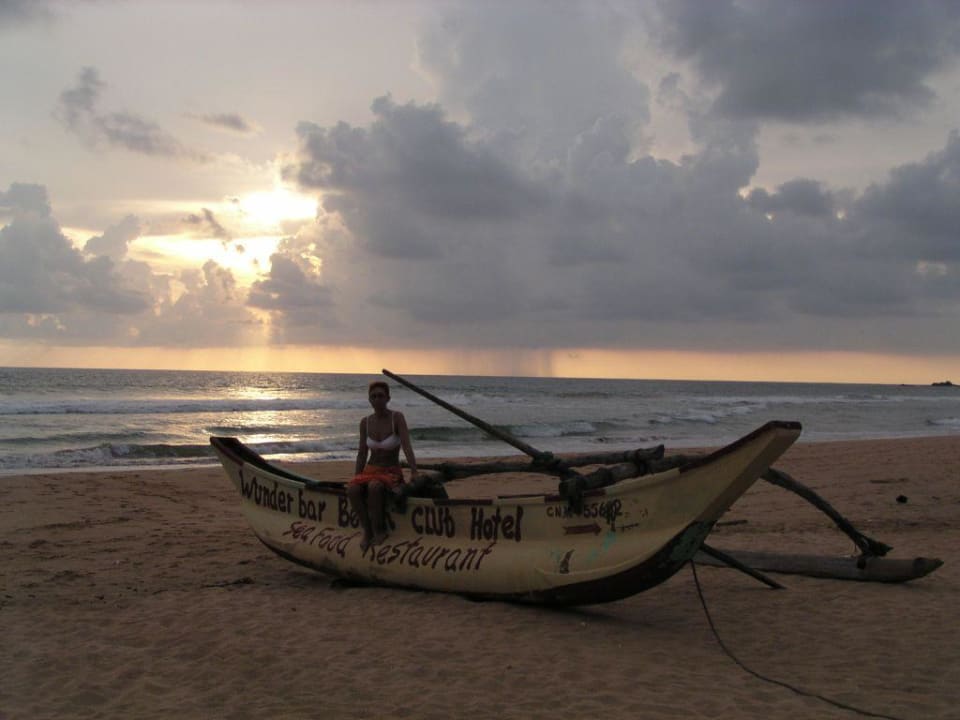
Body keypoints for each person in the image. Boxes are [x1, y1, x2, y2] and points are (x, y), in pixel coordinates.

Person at [348, 380, 418, 551]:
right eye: (374, 396)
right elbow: (362, 453)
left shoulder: (397, 418)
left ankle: (380, 530)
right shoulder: (365, 422)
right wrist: (356, 476)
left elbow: (407, 447)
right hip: (371, 469)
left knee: (375, 487)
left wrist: (414, 472)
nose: (377, 399)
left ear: (388, 398)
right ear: (369, 400)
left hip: (390, 470)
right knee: (352, 489)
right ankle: (367, 530)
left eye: (381, 396)